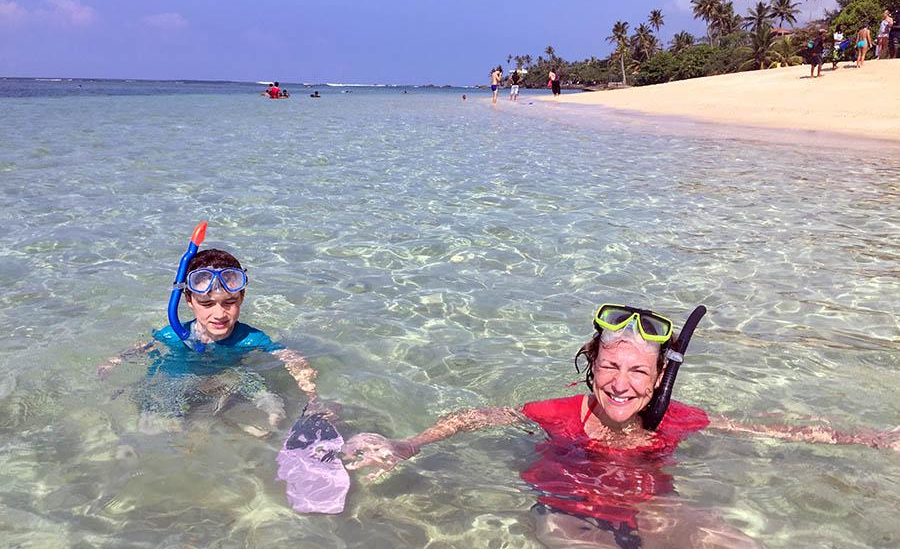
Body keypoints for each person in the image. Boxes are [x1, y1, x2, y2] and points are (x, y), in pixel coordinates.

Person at [343, 304, 899, 548]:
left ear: (659, 380)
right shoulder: (559, 413)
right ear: (591, 365)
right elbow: (481, 416)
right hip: (569, 514)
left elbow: (769, 430)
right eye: (610, 366)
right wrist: (407, 443)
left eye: (638, 371)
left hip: (654, 511)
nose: (621, 383)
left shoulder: (677, 419)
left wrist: (876, 439)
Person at [98, 247, 321, 436]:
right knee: (158, 415)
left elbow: (287, 356)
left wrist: (310, 392)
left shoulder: (249, 338)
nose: (219, 314)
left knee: (263, 396)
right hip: (177, 381)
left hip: (225, 381)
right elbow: (143, 346)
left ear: (241, 297)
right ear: (189, 300)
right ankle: (197, 425)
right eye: (206, 304)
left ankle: (240, 421)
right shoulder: (173, 335)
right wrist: (114, 361)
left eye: (229, 302)